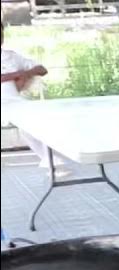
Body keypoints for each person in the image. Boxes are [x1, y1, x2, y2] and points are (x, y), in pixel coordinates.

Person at [0, 21, 59, 171]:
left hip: (14, 103)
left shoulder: (11, 57)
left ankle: (51, 160)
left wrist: (26, 74)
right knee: (24, 117)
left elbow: (42, 69)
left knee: (31, 119)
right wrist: (15, 75)